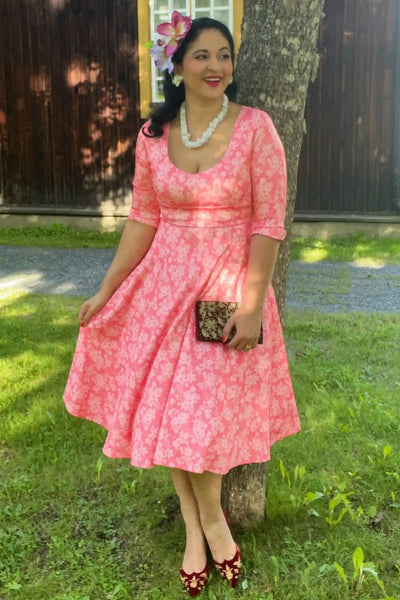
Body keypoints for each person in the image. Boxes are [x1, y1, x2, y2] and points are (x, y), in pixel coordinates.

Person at [64, 11, 300, 597]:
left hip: (225, 289)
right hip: (161, 292)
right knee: (173, 412)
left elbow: (269, 223)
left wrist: (250, 304)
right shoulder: (153, 136)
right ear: (178, 63)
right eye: (202, 55)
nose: (215, 65)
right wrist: (107, 289)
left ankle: (213, 519)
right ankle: (200, 531)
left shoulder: (256, 129)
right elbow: (144, 219)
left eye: (224, 54)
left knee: (205, 412)